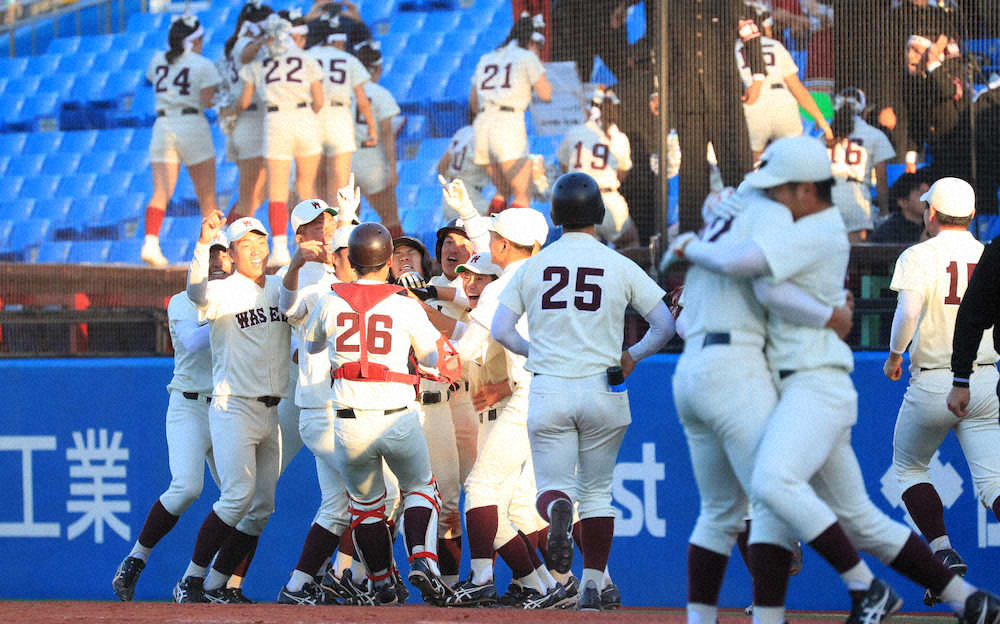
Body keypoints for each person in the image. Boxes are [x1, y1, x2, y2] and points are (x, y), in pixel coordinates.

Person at [663, 136, 1000, 624]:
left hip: (802, 384)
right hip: (797, 380)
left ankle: (861, 588)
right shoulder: (776, 225)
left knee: (765, 494)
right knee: (847, 515)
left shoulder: (796, 233)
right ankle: (964, 598)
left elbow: (750, 286)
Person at [662, 182, 852, 624]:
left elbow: (690, 327)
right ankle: (775, 600)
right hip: (769, 378)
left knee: (740, 503)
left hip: (744, 378)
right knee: (748, 500)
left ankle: (821, 584)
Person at [491, 172, 674, 610]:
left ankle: (557, 510)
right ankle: (592, 584)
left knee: (552, 489)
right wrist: (633, 354)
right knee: (597, 493)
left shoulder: (534, 266)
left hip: (551, 385)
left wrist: (534, 350)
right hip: (603, 386)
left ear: (555, 216)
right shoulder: (620, 264)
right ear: (598, 215)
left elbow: (501, 329)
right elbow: (665, 324)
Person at [301, 223, 452, 606]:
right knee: (420, 487)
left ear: (351, 260)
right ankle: (423, 559)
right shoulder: (402, 301)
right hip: (397, 414)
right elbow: (433, 354)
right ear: (388, 262)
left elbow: (313, 344)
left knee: (365, 506)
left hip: (349, 419)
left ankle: (382, 581)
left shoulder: (332, 298)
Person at [883, 176, 1000, 607]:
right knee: (995, 482)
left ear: (931, 213)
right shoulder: (988, 253)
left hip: (935, 379)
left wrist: (896, 355)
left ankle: (941, 551)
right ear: (971, 216)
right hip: (985, 378)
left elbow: (908, 311)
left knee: (910, 467)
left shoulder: (918, 254)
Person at [173, 213, 290, 603]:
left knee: (262, 508)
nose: (256, 250)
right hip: (234, 407)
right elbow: (196, 293)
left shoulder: (280, 286)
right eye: (245, 244)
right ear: (233, 253)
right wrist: (204, 243)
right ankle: (190, 578)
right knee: (237, 496)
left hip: (270, 410)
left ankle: (216, 584)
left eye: (261, 241)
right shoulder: (224, 290)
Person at [111, 232, 231, 601]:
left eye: (223, 254)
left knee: (244, 500)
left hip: (229, 406)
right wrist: (233, 312)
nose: (217, 261)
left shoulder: (242, 300)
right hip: (190, 405)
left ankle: (210, 582)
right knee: (186, 487)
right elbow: (194, 342)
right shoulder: (182, 301)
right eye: (209, 254)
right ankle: (136, 558)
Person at [669, 1, 766, 232]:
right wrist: (660, 89)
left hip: (724, 97)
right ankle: (690, 234)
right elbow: (663, 49)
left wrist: (758, 76)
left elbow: (750, 33)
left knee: (736, 164)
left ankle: (746, 228)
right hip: (688, 99)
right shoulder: (672, 7)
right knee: (691, 170)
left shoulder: (728, 4)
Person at [238, 14, 324, 268]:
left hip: (276, 119)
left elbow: (244, 100)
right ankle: (314, 245)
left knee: (277, 188)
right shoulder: (307, 58)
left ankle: (279, 248)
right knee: (306, 188)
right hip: (304, 116)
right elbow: (319, 100)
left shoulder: (260, 61)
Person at [141, 13, 222, 267]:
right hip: (191, 124)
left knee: (160, 191)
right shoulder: (202, 64)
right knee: (207, 195)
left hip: (163, 125)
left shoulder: (157, 60)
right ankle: (215, 252)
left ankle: (151, 242)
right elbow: (209, 101)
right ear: (194, 40)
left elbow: (154, 77)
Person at [470, 15, 552, 211]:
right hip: (507, 124)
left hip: (481, 125)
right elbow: (546, 93)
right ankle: (514, 241)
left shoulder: (486, 58)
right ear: (533, 40)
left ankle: (490, 237)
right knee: (523, 193)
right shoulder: (527, 57)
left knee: (503, 191)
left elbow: (473, 102)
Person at [735, 31, 834, 161]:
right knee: (793, 165)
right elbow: (796, 87)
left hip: (752, 102)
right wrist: (821, 120)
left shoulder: (733, 47)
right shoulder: (775, 45)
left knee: (753, 167)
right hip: (782, 100)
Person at [556, 87, 636, 246]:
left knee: (581, 252)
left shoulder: (574, 132)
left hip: (576, 201)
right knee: (631, 240)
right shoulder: (619, 138)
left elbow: (564, 167)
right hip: (607, 199)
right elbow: (622, 173)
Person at [309, 19, 377, 204]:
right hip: (338, 116)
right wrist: (372, 127)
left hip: (312, 115)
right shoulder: (348, 58)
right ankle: (340, 224)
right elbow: (362, 99)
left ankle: (318, 220)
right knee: (339, 179)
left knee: (316, 177)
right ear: (338, 41)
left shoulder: (308, 55)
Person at [220, 2, 274, 225]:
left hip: (249, 121)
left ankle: (230, 236)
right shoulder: (244, 44)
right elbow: (244, 56)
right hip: (250, 120)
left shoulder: (240, 43)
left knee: (259, 191)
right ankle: (227, 240)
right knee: (249, 195)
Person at [827, 87, 896, 241]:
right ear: (864, 110)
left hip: (827, 198)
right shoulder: (874, 134)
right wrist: (884, 212)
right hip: (856, 198)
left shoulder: (825, 134)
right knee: (858, 259)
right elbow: (881, 178)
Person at [350, 41, 402, 236]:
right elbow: (388, 134)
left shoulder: (344, 92)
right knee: (390, 219)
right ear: (377, 67)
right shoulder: (380, 93)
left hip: (346, 158)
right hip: (372, 159)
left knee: (348, 220)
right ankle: (399, 263)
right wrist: (392, 168)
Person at [439, 119, 491, 219]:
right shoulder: (485, 136)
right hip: (470, 195)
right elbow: (496, 175)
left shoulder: (464, 131)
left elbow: (441, 166)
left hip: (450, 191)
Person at [870, 172, 929, 244]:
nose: (927, 199)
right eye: (921, 194)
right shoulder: (889, 231)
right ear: (903, 202)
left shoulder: (932, 225)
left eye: (928, 193)